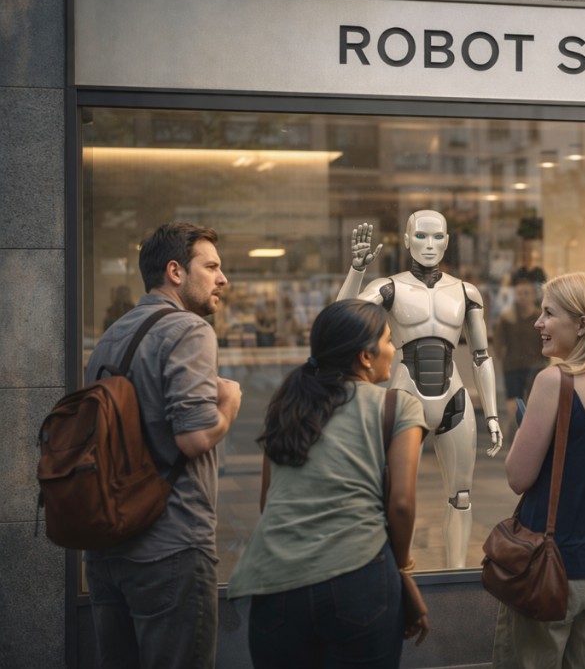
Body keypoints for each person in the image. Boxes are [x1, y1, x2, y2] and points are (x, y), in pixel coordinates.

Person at [228, 299, 428, 668]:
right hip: (360, 576)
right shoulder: (397, 406)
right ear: (366, 357)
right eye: (387, 340)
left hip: (275, 581)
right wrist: (401, 572)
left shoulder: (288, 404)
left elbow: (268, 502)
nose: (393, 349)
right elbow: (401, 503)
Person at [83, 222, 243, 669]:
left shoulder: (112, 336)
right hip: (170, 549)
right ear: (175, 271)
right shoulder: (188, 330)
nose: (222, 278)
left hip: (107, 549)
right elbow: (193, 437)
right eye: (211, 266)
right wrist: (228, 404)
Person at [337, 213, 502, 569]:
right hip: (404, 395)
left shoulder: (465, 291)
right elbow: (340, 320)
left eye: (437, 237)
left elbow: (481, 355)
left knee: (461, 496)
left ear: (446, 241)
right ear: (408, 240)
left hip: (454, 397)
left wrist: (491, 414)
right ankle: (398, 574)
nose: (429, 245)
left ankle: (457, 576)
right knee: (398, 496)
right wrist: (357, 271)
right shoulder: (390, 287)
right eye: (421, 237)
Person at [493, 272, 585, 668]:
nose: (537, 323)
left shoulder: (554, 382)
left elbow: (518, 477)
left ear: (582, 324)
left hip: (553, 569)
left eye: (548, 313)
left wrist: (524, 430)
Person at [493, 269, 547, 438]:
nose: (523, 297)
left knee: (534, 401)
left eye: (526, 293)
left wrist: (545, 359)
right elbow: (498, 342)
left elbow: (546, 338)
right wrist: (503, 357)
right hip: (513, 366)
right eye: (519, 293)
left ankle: (531, 433)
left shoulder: (540, 316)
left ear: (533, 295)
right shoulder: (507, 317)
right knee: (513, 401)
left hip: (535, 365)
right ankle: (518, 431)